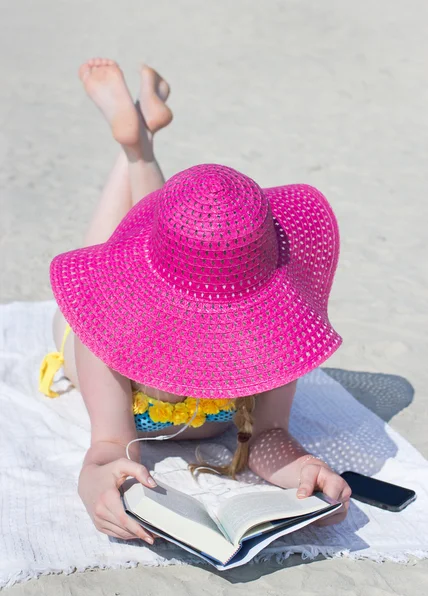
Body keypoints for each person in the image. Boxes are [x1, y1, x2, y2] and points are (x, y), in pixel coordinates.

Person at [39, 58, 352, 546]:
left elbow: (268, 436)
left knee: (172, 244)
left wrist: (307, 473)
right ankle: (133, 147)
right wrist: (96, 486)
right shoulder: (107, 331)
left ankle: (137, 143)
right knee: (106, 246)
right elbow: (106, 447)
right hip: (86, 332)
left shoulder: (277, 334)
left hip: (157, 285)